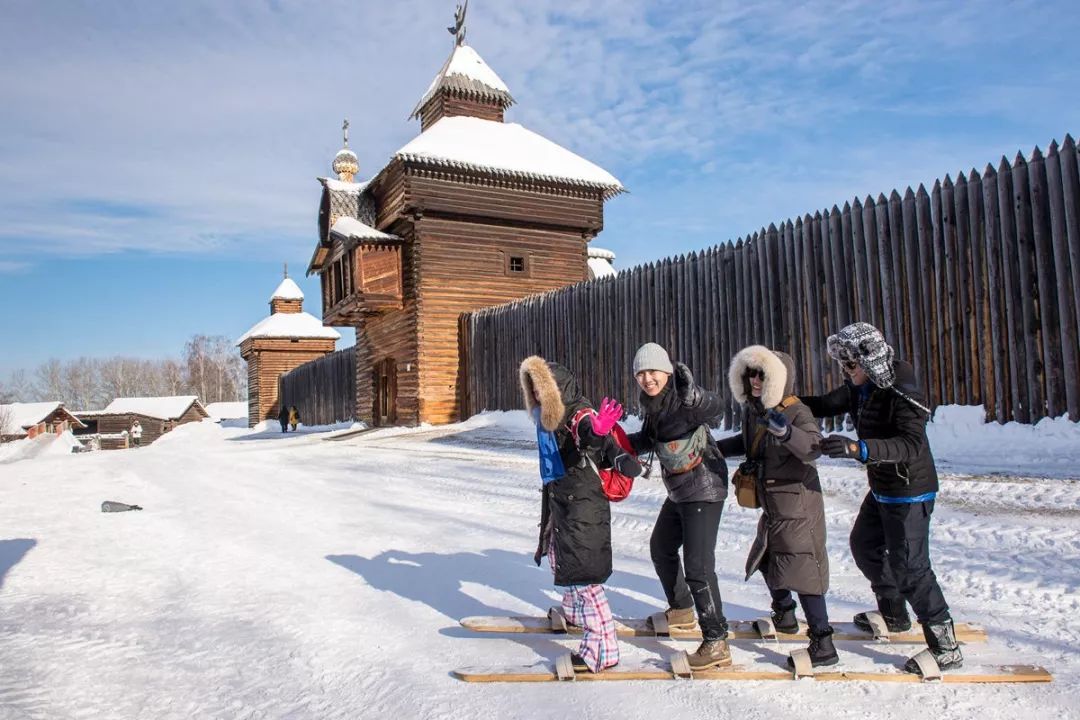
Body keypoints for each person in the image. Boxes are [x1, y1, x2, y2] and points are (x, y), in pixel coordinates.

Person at [799, 322, 962, 674]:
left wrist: (858, 448)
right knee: (864, 545)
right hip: (884, 487)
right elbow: (828, 403)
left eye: (851, 364)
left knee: (911, 569)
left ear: (870, 361)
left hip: (910, 490)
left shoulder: (902, 390)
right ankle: (895, 615)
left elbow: (910, 444)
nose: (846, 370)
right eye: (842, 364)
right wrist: (789, 403)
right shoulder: (861, 386)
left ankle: (946, 646)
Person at [520, 355, 642, 674]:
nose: (536, 395)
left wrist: (600, 432)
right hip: (563, 498)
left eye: (541, 389)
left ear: (555, 388)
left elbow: (588, 431)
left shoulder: (577, 412)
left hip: (583, 503)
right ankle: (574, 613)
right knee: (563, 560)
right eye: (531, 389)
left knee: (586, 577)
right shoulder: (548, 419)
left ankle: (602, 648)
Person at [717, 345, 836, 667]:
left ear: (778, 378)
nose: (755, 380)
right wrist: (713, 450)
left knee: (804, 569)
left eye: (762, 374)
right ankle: (784, 615)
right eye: (750, 373)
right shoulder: (755, 411)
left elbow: (812, 448)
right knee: (768, 560)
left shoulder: (797, 411)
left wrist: (785, 431)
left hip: (798, 503)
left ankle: (823, 645)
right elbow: (748, 442)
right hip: (774, 504)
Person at [625, 342, 731, 670]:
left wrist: (698, 396)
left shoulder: (685, 400)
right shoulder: (653, 405)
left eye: (652, 371)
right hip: (680, 489)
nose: (647, 378)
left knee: (698, 567)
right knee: (661, 547)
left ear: (667, 372)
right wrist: (612, 442)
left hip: (704, 486)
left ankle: (716, 642)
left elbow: (717, 407)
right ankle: (682, 609)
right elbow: (648, 438)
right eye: (641, 373)